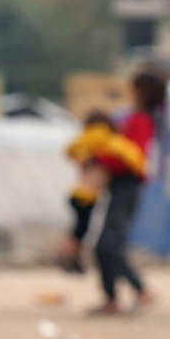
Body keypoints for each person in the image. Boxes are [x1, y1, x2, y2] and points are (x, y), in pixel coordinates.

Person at [87, 71, 161, 315]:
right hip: (120, 187)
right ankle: (115, 298)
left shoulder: (140, 120)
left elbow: (131, 157)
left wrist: (102, 160)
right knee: (107, 246)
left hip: (127, 187)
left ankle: (137, 292)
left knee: (108, 246)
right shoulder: (135, 118)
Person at [58, 111, 117, 275]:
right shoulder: (99, 141)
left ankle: (73, 258)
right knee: (79, 231)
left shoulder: (85, 146)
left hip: (78, 193)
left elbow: (69, 152)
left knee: (79, 230)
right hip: (85, 196)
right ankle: (66, 256)